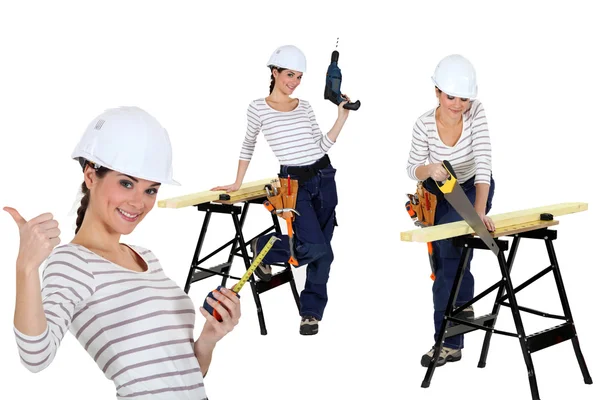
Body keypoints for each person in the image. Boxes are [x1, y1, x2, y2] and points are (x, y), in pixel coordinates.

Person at [6, 106, 240, 399]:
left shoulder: (146, 257)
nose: (138, 202)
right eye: (126, 183)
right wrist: (25, 268)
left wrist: (208, 340)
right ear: (91, 176)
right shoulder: (73, 262)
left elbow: (182, 374)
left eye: (150, 190)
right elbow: (35, 357)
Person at [212, 45, 351, 335]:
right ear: (274, 72)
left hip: (324, 176)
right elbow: (248, 145)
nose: (294, 82)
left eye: (299, 76)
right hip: (293, 184)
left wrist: (341, 118)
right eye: (289, 74)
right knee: (315, 247)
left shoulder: (306, 106)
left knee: (323, 254)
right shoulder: (258, 108)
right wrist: (237, 182)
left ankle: (310, 313)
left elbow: (321, 145)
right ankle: (263, 248)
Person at [405, 54, 495, 367]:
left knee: (447, 263)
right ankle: (463, 306)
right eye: (450, 97)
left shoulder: (477, 113)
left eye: (464, 99)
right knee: (447, 258)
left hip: (471, 190)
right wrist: (429, 168)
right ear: (437, 92)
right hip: (437, 195)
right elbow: (411, 169)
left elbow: (483, 164)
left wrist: (479, 212)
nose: (457, 105)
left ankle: (446, 343)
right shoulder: (423, 124)